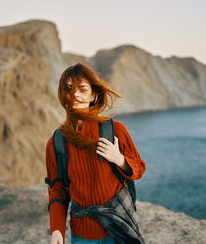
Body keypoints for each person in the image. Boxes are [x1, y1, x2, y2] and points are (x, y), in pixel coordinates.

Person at [45, 63, 146, 244]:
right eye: (69, 89)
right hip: (82, 236)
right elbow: (57, 191)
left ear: (93, 95)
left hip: (118, 229)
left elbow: (139, 169)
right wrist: (57, 230)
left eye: (82, 89)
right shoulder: (56, 142)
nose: (75, 94)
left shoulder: (116, 130)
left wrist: (120, 159)